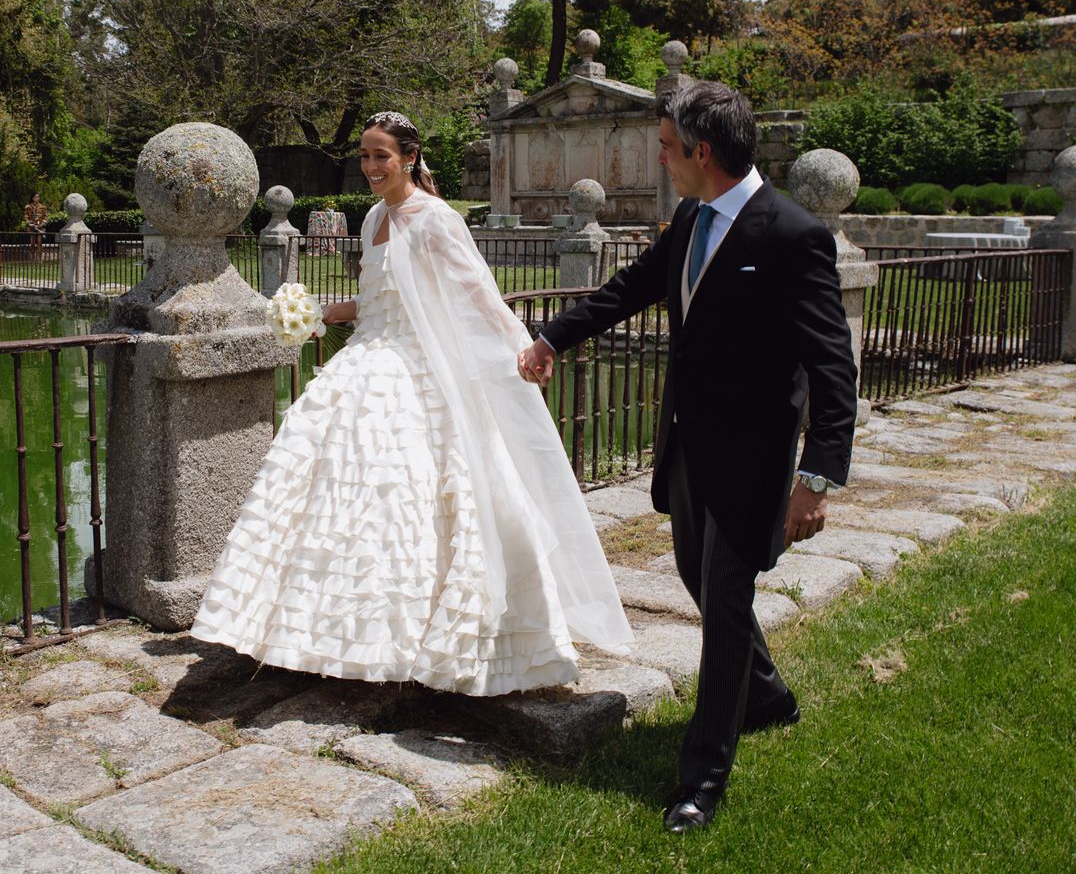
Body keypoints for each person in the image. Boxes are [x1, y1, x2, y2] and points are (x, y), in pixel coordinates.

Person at [192, 111, 632, 695]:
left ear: (409, 158)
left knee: (414, 495)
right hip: (362, 361)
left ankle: (433, 637)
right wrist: (320, 312)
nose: (372, 167)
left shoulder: (434, 219)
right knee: (332, 494)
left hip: (416, 369)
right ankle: (324, 635)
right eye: (365, 157)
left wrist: (526, 347)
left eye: (382, 156)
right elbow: (377, 296)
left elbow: (478, 293)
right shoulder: (373, 216)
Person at [518, 81, 858, 831]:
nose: (661, 158)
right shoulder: (690, 215)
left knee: (726, 605)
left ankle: (701, 779)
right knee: (699, 582)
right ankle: (767, 697)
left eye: (667, 147)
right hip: (686, 449)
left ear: (702, 152)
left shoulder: (791, 234)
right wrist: (551, 339)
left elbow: (833, 368)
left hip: (754, 459)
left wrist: (817, 476)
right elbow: (635, 285)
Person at [23, 193, 47, 261]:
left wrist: (42, 223)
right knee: (32, 243)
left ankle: (39, 259)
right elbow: (26, 216)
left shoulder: (42, 207)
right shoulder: (28, 207)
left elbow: (45, 217)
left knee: (39, 242)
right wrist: (29, 223)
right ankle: (32, 259)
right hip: (32, 226)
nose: (38, 198)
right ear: (32, 198)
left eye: (38, 197)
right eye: (36, 197)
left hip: (40, 227)